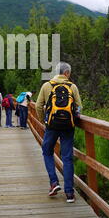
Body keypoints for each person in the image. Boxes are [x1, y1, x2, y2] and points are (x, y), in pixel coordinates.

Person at [35, 62, 82, 203]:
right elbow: (79, 107)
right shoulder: (72, 86)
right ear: (67, 73)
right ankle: (69, 193)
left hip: (52, 126)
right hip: (68, 126)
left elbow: (38, 106)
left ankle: (54, 183)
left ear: (57, 72)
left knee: (47, 151)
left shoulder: (47, 85)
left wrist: (44, 121)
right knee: (67, 157)